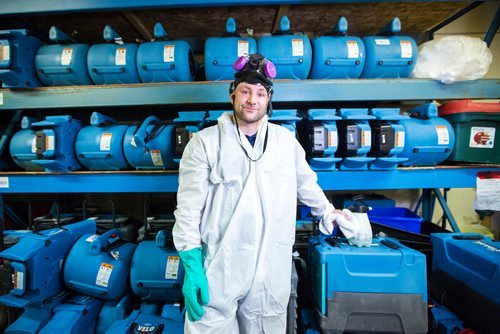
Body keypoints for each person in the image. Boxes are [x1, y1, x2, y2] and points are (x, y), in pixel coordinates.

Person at [173, 53, 364, 333]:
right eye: (245, 91)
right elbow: (187, 210)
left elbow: (307, 184)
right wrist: (191, 265)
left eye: (260, 93)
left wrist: (327, 211)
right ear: (232, 94)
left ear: (268, 99)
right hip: (219, 268)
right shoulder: (204, 144)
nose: (252, 100)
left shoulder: (285, 142)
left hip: (269, 272)